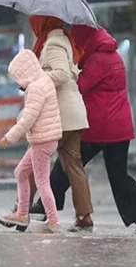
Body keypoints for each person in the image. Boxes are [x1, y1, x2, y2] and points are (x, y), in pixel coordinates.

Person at [28, 25, 136, 235]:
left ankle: (44, 208)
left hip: (99, 127)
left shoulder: (98, 60)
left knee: (67, 163)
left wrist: (67, 71)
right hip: (119, 128)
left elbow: (79, 85)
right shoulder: (113, 56)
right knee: (119, 176)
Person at [20, 15, 95, 232]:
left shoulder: (53, 42)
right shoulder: (65, 41)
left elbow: (61, 73)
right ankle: (84, 216)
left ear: (43, 22)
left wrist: (37, 82)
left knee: (35, 160)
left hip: (58, 114)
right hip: (74, 113)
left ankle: (22, 210)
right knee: (74, 166)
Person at [0, 49, 63, 234]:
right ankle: (22, 214)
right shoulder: (45, 80)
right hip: (45, 139)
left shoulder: (35, 88)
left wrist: (10, 136)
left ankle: (53, 221)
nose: (18, 82)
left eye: (17, 77)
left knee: (42, 182)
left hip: (42, 140)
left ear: (24, 73)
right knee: (21, 172)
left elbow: (28, 118)